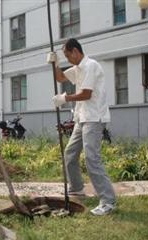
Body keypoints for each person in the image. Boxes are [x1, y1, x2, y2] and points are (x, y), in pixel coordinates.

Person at [47, 38, 116, 216]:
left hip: (94, 118)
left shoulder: (91, 66)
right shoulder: (77, 69)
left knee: (92, 159)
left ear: (76, 51)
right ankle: (77, 188)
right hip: (82, 118)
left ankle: (108, 201)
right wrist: (56, 64)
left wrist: (64, 99)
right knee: (70, 153)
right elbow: (61, 77)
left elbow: (86, 94)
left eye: (67, 55)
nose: (68, 58)